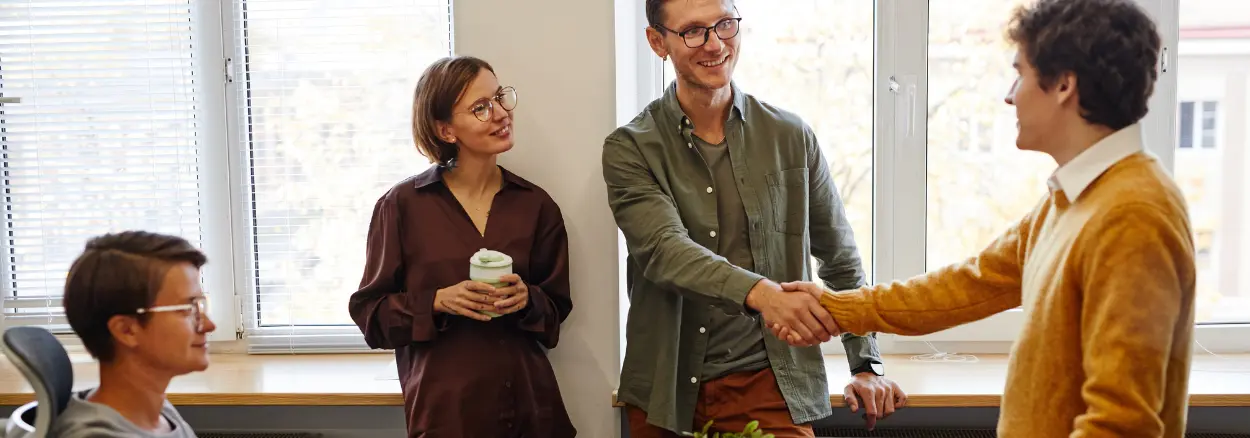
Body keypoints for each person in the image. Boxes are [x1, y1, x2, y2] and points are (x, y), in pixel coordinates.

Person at [777, 0, 1196, 436]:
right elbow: (965, 286)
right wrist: (837, 307)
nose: (1010, 94)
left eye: (1021, 73)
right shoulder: (1074, 199)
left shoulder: (1134, 215)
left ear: (1064, 85)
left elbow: (1123, 424)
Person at [602, 0, 907, 435]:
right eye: (693, 31)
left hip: (770, 383)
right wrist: (764, 295)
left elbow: (839, 259)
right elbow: (664, 251)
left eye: (725, 24)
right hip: (664, 392)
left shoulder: (790, 136)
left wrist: (867, 362)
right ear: (657, 42)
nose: (715, 44)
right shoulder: (629, 147)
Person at [347, 55, 575, 438]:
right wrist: (436, 301)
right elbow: (372, 317)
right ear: (446, 130)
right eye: (481, 108)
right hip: (447, 419)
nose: (501, 113)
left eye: (500, 97)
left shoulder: (536, 205)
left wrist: (527, 299)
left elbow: (554, 314)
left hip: (532, 416)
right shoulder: (401, 206)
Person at [52, 231, 214, 438]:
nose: (208, 325)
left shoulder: (159, 413)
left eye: (199, 306)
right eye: (186, 309)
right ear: (126, 330)